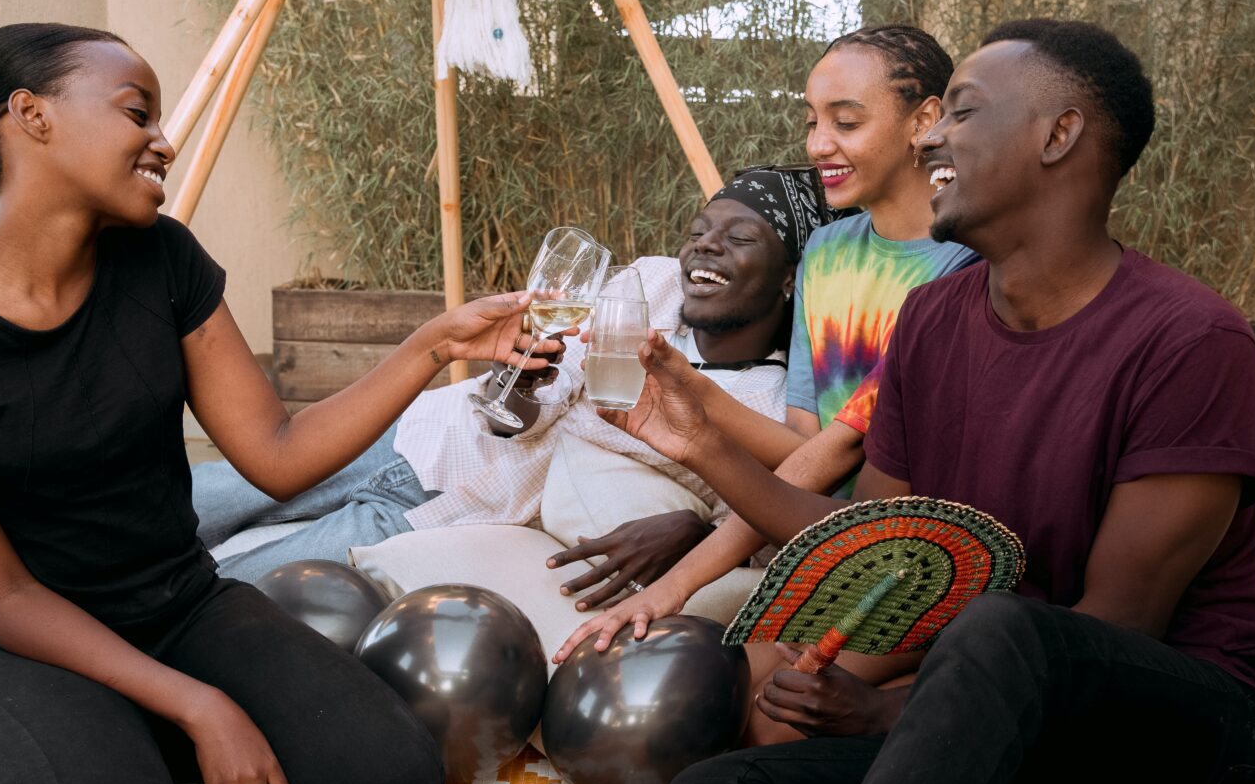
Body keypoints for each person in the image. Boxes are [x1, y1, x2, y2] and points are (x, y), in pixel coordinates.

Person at [595, 20, 1255, 784]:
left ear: (1059, 135)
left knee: (997, 629)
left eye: (964, 112)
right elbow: (881, 550)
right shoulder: (935, 322)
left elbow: (1117, 628)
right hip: (1005, 729)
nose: (933, 135)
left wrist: (895, 714)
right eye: (935, 116)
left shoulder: (1187, 341)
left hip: (1190, 745)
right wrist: (705, 447)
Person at [0, 23, 565, 784]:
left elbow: (278, 455)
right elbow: (5, 598)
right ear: (29, 115)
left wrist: (430, 348)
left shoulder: (163, 262)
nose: (164, 139)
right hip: (13, 644)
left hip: (179, 604)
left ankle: (118, 738)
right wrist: (200, 706)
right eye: (136, 111)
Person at [556, 27, 974, 743]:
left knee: (754, 724)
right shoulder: (827, 248)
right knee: (693, 699)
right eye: (812, 121)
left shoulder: (960, 270)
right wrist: (686, 386)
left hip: (908, 562)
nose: (818, 144)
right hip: (811, 543)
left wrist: (675, 577)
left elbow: (839, 454)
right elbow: (805, 449)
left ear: (924, 122)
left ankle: (924, 685)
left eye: (846, 121)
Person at [192, 166, 828, 608]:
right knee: (188, 501)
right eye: (697, 232)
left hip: (449, 507)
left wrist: (688, 529)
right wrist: (521, 379)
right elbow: (528, 405)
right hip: (419, 434)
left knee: (229, 584)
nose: (703, 250)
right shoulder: (651, 286)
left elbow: (755, 515)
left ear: (789, 279)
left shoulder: (769, 405)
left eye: (739, 239)